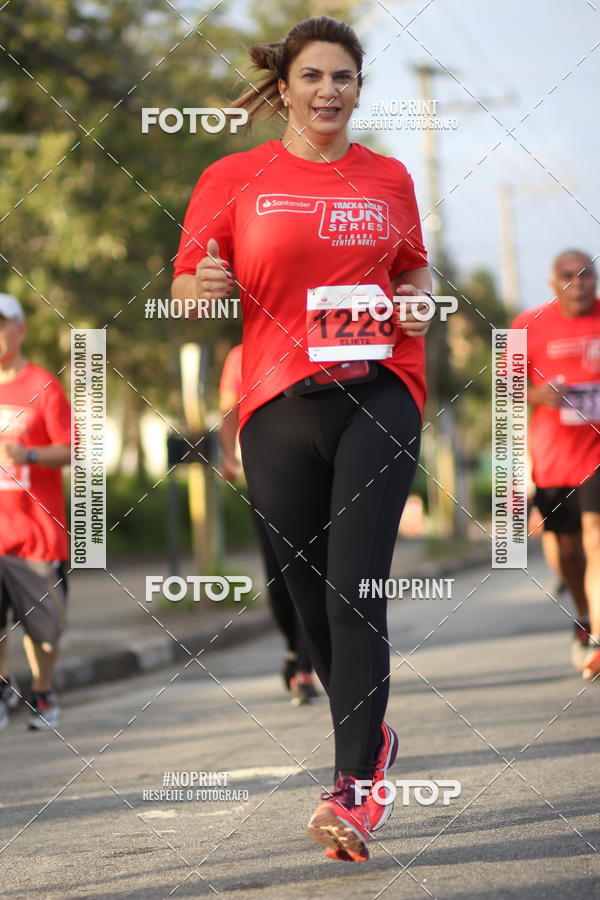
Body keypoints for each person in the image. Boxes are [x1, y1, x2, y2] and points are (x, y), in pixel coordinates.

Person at [172, 16, 434, 862]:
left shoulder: (389, 177)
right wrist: (203, 284)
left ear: (360, 88)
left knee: (356, 588)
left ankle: (354, 785)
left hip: (379, 390)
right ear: (284, 86)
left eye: (344, 78)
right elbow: (187, 291)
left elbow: (413, 271)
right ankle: (373, 741)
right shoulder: (233, 177)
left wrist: (422, 301)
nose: (329, 91)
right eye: (313, 77)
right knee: (311, 599)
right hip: (276, 401)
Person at [512, 250, 600, 679]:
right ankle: (584, 615)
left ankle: (599, 636)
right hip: (554, 457)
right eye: (569, 276)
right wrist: (535, 395)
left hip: (597, 454)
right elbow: (504, 387)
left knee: (596, 539)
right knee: (567, 549)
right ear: (553, 283)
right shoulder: (524, 324)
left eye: (587, 275)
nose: (579, 283)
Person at [219, 343, 319, 705]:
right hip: (263, 481)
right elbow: (229, 410)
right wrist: (229, 456)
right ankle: (294, 649)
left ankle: (307, 669)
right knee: (279, 582)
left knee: (311, 573)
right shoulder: (239, 356)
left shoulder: (307, 341)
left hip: (313, 477)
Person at [0, 294, 71, 729]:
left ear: (20, 329)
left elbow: (71, 449)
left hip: (37, 533)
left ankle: (42, 693)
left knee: (43, 630)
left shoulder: (42, 385)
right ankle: (4, 690)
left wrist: (27, 452)